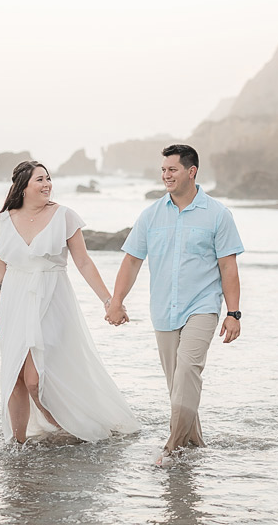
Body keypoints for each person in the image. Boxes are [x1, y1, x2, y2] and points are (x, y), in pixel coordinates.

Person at [105, 144, 244, 466]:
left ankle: (172, 448)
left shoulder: (217, 214)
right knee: (178, 383)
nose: (166, 175)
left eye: (173, 170)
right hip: (164, 309)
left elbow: (228, 267)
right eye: (164, 170)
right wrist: (116, 301)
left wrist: (234, 313)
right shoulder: (151, 215)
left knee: (187, 372)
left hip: (203, 305)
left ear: (191, 172)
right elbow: (132, 261)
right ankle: (194, 442)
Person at [0, 160, 140, 444]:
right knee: (15, 376)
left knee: (36, 378)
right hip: (16, 301)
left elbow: (83, 262)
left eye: (48, 179)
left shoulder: (64, 216)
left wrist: (108, 300)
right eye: (39, 180)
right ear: (23, 187)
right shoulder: (3, 221)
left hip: (52, 299)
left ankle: (68, 426)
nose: (47, 185)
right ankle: (16, 444)